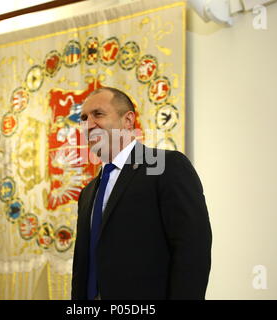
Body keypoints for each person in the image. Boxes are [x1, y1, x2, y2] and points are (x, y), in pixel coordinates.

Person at [71, 87, 212, 300]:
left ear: (128, 121)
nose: (88, 124)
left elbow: (192, 250)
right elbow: (83, 265)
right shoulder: (88, 192)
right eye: (83, 118)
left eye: (98, 114)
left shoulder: (166, 166)